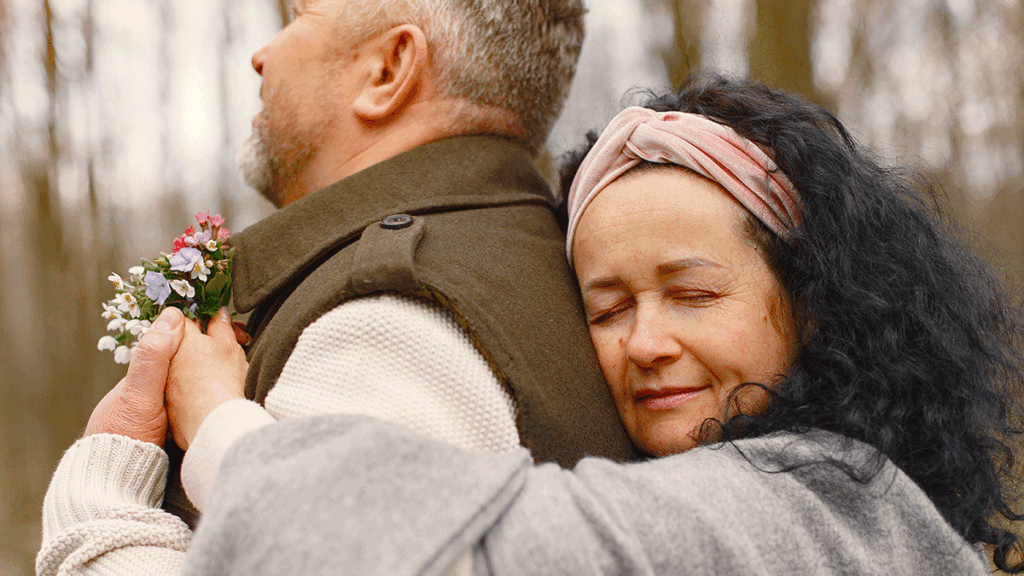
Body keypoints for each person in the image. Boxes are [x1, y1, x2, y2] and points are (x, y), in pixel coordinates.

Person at [38, 74, 1024, 575]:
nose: (643, 342)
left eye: (691, 294)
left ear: (814, 302)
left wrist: (185, 439)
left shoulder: (817, 508)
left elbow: (368, 549)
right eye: (606, 306)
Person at [159, 0, 639, 525]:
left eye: (298, 17)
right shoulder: (531, 250)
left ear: (387, 70)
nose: (261, 55)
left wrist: (95, 493)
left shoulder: (379, 326)